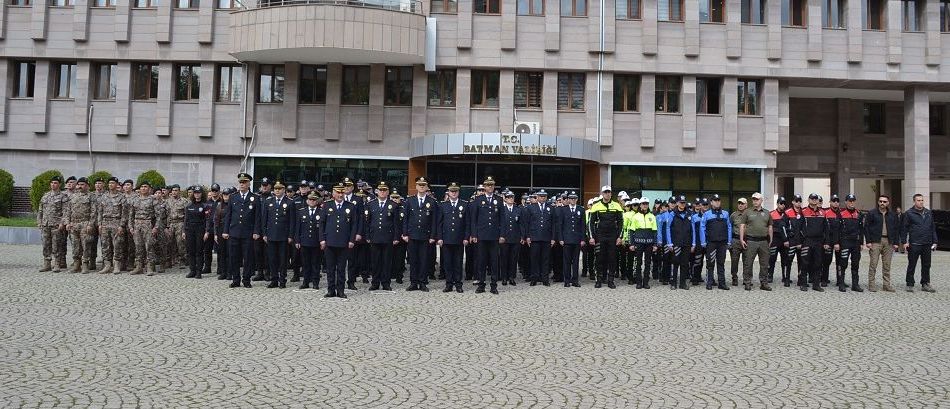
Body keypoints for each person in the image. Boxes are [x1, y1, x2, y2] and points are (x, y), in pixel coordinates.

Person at [223, 173, 261, 288]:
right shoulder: (233, 197)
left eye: (244, 182)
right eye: (240, 182)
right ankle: (235, 279)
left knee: (248, 258)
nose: (242, 184)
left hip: (248, 233)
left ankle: (246, 279)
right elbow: (228, 216)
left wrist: (256, 231)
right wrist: (225, 230)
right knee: (234, 257)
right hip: (234, 232)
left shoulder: (255, 198)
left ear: (249, 183)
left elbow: (257, 217)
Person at [321, 182, 358, 298]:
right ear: (333, 193)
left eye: (342, 192)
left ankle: (340, 290)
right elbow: (322, 223)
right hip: (330, 241)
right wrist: (322, 239)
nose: (340, 194)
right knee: (330, 268)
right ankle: (331, 290)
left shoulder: (350, 206)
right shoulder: (327, 205)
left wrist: (352, 240)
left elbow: (354, 225)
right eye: (338, 192)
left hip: (344, 242)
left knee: (341, 268)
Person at [402, 176, 437, 292]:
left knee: (424, 260)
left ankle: (422, 282)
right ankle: (413, 282)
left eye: (424, 185)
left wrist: (432, 236)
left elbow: (433, 221)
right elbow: (405, 219)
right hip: (412, 235)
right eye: (419, 185)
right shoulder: (409, 201)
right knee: (413, 260)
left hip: (425, 236)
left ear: (426, 187)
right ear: (416, 186)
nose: (422, 187)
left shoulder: (432, 202)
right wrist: (405, 234)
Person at [469, 177, 503, 294]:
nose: (490, 187)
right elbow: (474, 219)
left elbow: (502, 219)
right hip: (481, 235)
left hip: (494, 236)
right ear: (484, 187)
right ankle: (481, 284)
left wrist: (502, 234)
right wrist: (474, 234)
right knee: (481, 261)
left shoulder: (499, 200)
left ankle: (494, 285)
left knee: (494, 261)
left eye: (492, 185)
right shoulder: (478, 199)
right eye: (488, 185)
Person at [365, 181, 401, 291]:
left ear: (388, 192)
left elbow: (396, 223)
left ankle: (386, 283)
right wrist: (367, 236)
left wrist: (396, 237)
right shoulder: (371, 204)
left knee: (387, 261)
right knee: (375, 261)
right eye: (380, 190)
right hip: (374, 237)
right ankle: (375, 282)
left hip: (388, 237)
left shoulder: (394, 205)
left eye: (384, 190)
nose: (382, 192)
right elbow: (367, 222)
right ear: (376, 191)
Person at [434, 182, 468, 293]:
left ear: (458, 192)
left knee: (458, 263)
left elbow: (467, 223)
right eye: (451, 191)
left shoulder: (464, 204)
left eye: (455, 191)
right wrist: (439, 237)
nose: (453, 193)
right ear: (448, 192)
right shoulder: (443, 205)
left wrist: (466, 237)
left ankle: (458, 284)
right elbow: (439, 223)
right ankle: (449, 284)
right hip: (446, 239)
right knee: (447, 263)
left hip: (459, 239)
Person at [588, 186, 624, 289]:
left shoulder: (617, 205)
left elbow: (621, 223)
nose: (607, 194)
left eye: (609, 192)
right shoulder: (596, 206)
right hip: (600, 236)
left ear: (611, 194)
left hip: (613, 237)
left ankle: (610, 280)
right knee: (599, 258)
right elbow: (590, 223)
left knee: (612, 259)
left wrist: (620, 237)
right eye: (605, 192)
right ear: (602, 193)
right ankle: (598, 280)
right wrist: (591, 237)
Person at [261, 181, 295, 288]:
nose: (277, 191)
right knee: (272, 258)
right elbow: (264, 219)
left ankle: (282, 280)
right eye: (276, 189)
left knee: (283, 259)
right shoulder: (268, 201)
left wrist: (290, 235)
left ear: (284, 190)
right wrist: (264, 234)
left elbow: (292, 221)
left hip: (283, 236)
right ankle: (274, 279)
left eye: (280, 189)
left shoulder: (289, 202)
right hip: (271, 235)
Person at [126, 181, 164, 276]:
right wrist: (130, 226)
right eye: (142, 187)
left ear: (149, 189)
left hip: (148, 224)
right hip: (137, 224)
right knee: (138, 246)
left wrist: (156, 227)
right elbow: (131, 215)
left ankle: (150, 267)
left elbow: (159, 216)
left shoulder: (153, 200)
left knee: (149, 246)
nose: (143, 188)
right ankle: (139, 266)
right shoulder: (135, 200)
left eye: (145, 186)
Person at [902, 193, 937, 293]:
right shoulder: (909, 213)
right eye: (918, 200)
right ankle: (909, 283)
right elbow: (904, 229)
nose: (921, 202)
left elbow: (932, 228)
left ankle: (925, 283)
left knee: (926, 265)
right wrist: (904, 242)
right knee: (912, 264)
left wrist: (935, 241)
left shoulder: (928, 212)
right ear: (914, 201)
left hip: (927, 243)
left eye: (922, 200)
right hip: (915, 243)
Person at [864, 194, 899, 292]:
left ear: (888, 203)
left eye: (884, 201)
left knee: (887, 265)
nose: (882, 203)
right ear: (878, 202)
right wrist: (868, 241)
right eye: (880, 201)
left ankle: (886, 285)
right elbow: (866, 228)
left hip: (889, 242)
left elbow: (897, 229)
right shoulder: (872, 213)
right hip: (875, 242)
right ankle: (871, 284)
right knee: (873, 264)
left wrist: (896, 242)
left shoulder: (893, 215)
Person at [739, 193, 773, 291]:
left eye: (757, 199)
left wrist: (771, 239)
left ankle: (764, 282)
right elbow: (742, 225)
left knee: (764, 263)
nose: (755, 201)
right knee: (748, 262)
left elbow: (770, 226)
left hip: (763, 241)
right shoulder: (747, 212)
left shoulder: (767, 212)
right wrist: (741, 239)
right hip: (751, 241)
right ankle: (747, 282)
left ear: (761, 200)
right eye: (753, 199)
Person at [64, 177, 98, 274]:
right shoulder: (72, 196)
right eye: (79, 184)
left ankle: (85, 264)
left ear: (87, 186)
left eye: (82, 184)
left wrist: (90, 224)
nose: (80, 186)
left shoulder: (91, 196)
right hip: (73, 224)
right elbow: (67, 211)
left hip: (85, 223)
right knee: (75, 245)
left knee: (86, 245)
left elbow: (94, 212)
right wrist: (67, 222)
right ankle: (76, 264)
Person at [37, 175, 69, 273]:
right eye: (52, 183)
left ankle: (57, 264)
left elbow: (66, 211)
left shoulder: (63, 196)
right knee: (46, 244)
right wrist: (39, 221)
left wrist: (62, 223)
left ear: (59, 184)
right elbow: (40, 210)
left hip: (56, 225)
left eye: (55, 183)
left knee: (57, 245)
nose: (53, 185)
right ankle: (47, 263)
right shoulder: (45, 196)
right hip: (46, 224)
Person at [798, 193, 829, 292]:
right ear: (808, 200)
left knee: (818, 263)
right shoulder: (803, 212)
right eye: (812, 199)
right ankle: (803, 283)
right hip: (807, 241)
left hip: (819, 241)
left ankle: (816, 284)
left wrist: (826, 242)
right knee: (805, 263)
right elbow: (798, 228)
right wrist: (799, 242)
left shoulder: (822, 213)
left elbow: (826, 229)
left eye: (816, 199)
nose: (814, 200)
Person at [96, 177, 127, 274]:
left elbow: (124, 213)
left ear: (117, 184)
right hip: (105, 223)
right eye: (109, 183)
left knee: (117, 245)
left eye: (113, 183)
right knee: (105, 245)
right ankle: (107, 265)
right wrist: (100, 224)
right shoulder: (104, 197)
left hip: (116, 222)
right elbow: (100, 212)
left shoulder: (122, 197)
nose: (111, 185)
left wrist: (121, 225)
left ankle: (116, 264)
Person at [834, 194, 864, 292]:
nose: (851, 203)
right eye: (850, 201)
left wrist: (861, 243)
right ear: (846, 202)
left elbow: (861, 230)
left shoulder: (859, 214)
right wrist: (836, 243)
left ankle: (855, 284)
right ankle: (841, 283)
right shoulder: (840, 213)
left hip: (855, 243)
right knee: (843, 263)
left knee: (855, 264)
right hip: (845, 242)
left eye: (853, 201)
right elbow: (836, 230)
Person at [700, 194, 730, 290]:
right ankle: (709, 282)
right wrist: (703, 241)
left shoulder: (725, 213)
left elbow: (729, 227)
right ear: (711, 202)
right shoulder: (706, 214)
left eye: (718, 200)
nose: (717, 202)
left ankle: (722, 283)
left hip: (722, 243)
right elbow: (702, 228)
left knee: (721, 263)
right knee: (710, 263)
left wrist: (729, 241)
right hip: (711, 243)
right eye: (715, 200)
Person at [525, 189, 555, 287]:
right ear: (537, 197)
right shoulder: (530, 207)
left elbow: (553, 224)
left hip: (546, 237)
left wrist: (553, 238)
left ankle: (544, 278)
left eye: (544, 196)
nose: (542, 198)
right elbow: (527, 223)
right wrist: (528, 236)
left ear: (546, 197)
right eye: (540, 196)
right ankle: (534, 278)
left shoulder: (550, 208)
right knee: (534, 259)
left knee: (545, 259)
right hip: (535, 237)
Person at [556, 191, 586, 288]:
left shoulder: (580, 209)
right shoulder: (563, 210)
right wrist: (560, 238)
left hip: (577, 239)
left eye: (574, 198)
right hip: (566, 239)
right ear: (568, 199)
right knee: (567, 261)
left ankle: (575, 280)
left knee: (576, 261)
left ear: (577, 199)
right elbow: (560, 225)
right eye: (571, 198)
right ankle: (567, 280)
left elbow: (582, 226)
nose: (573, 200)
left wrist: (582, 239)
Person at [295, 192, 323, 290]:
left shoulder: (321, 211)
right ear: (307, 201)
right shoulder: (301, 211)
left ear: (317, 201)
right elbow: (298, 227)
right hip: (304, 241)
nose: (312, 201)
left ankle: (315, 282)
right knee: (305, 263)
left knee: (315, 263)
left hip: (316, 242)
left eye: (314, 200)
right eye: (310, 200)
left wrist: (322, 241)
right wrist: (297, 241)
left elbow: (322, 228)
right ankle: (305, 282)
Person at [627, 197, 656, 289]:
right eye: (643, 203)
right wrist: (631, 244)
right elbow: (631, 231)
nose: (645, 205)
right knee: (638, 263)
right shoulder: (635, 216)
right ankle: (639, 282)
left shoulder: (652, 216)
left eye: (646, 203)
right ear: (640, 205)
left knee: (647, 263)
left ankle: (646, 282)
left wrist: (655, 244)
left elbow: (655, 231)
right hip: (638, 243)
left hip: (649, 243)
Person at [183, 186, 211, 279]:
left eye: (198, 193)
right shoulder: (189, 205)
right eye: (195, 193)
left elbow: (208, 219)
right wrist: (184, 231)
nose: (197, 194)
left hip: (200, 230)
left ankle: (199, 271)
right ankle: (192, 270)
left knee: (199, 251)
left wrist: (207, 232)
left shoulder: (205, 206)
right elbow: (186, 219)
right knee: (191, 251)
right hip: (190, 230)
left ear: (201, 194)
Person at [499, 190, 524, 286]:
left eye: (512, 197)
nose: (510, 199)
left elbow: (521, 224)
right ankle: (504, 277)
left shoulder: (518, 209)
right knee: (504, 258)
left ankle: (511, 277)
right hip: (504, 238)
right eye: (508, 197)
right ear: (505, 198)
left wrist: (522, 236)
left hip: (515, 238)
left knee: (513, 259)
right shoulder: (502, 209)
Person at [768, 197, 791, 286]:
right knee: (772, 258)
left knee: (785, 259)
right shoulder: (771, 214)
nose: (783, 205)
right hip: (775, 239)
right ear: (777, 204)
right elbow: (768, 226)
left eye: (784, 203)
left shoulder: (787, 214)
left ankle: (784, 276)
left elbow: (788, 227)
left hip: (784, 240)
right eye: (781, 203)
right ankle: (770, 275)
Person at [211, 187, 232, 280]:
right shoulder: (219, 206)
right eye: (224, 195)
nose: (226, 197)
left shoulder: (233, 205)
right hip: (220, 230)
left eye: (227, 195)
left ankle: (230, 272)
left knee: (230, 253)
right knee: (221, 252)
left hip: (231, 230)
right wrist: (215, 234)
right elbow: (216, 221)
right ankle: (223, 272)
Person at [728, 198, 747, 287]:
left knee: (747, 261)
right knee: (734, 261)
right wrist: (729, 241)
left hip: (747, 240)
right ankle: (734, 278)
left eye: (742, 204)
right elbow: (729, 228)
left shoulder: (749, 215)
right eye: (739, 203)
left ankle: (746, 279)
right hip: (735, 240)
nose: (740, 205)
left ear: (746, 205)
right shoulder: (733, 215)